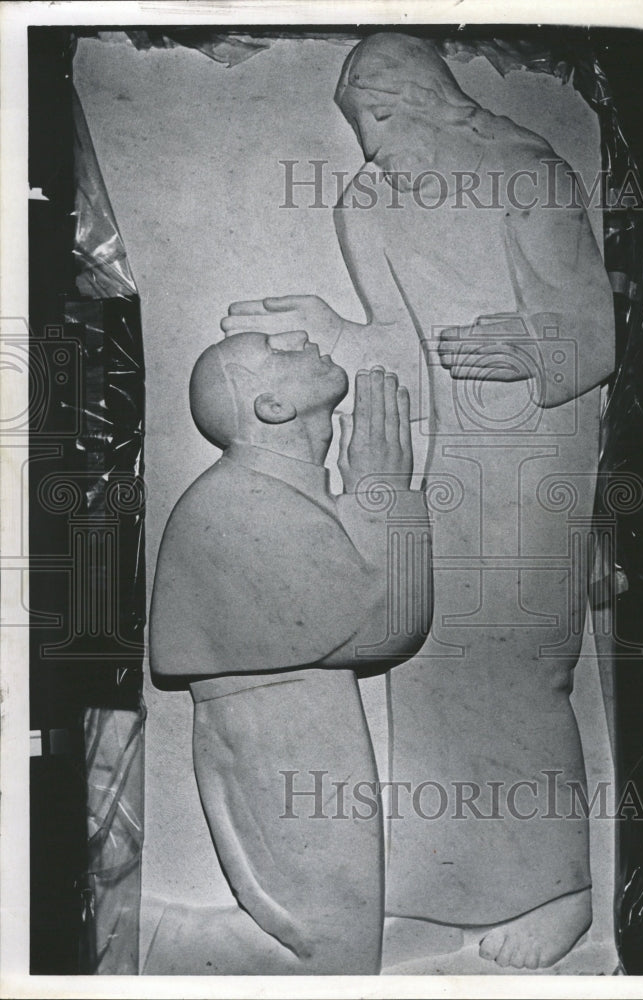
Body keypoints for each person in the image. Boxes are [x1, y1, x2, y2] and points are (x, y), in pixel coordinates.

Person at [222, 32, 615, 971]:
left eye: (387, 115)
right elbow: (400, 343)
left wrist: (532, 345)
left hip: (530, 448)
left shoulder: (524, 170)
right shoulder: (370, 203)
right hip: (447, 456)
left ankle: (559, 889)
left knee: (520, 664)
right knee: (428, 660)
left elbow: (594, 334)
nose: (370, 143)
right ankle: (459, 881)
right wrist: (331, 330)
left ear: (437, 98)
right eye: (358, 124)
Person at [146, 330, 431, 974]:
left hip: (300, 717)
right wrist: (387, 494)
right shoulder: (239, 502)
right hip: (280, 728)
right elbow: (386, 625)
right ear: (271, 406)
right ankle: (145, 938)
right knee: (330, 955)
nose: (300, 339)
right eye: (277, 350)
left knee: (342, 943)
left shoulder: (280, 491)